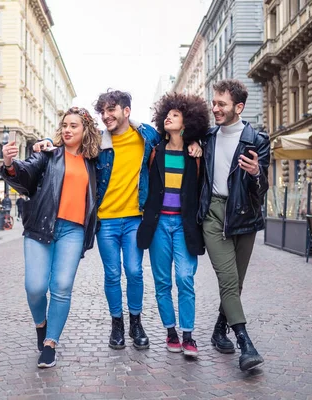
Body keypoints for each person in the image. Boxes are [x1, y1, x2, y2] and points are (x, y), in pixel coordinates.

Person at [34, 89, 202, 351]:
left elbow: (176, 138)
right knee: (112, 274)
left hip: (135, 217)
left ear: (126, 111)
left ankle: (136, 322)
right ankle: (117, 324)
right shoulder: (97, 143)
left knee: (134, 272)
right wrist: (46, 141)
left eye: (111, 109)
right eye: (103, 111)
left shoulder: (146, 137)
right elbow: (69, 140)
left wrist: (195, 141)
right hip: (106, 221)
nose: (106, 115)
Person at [0, 107, 100, 368]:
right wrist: (10, 164)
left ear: (85, 130)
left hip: (73, 230)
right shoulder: (49, 154)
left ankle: (50, 343)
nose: (67, 129)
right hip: (41, 227)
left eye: (74, 126)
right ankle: (40, 324)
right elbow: (26, 173)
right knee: (34, 287)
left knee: (62, 287)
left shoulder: (95, 161)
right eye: (65, 125)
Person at [197, 79, 270, 371]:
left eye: (221, 104)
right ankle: (245, 342)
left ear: (238, 107)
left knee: (235, 283)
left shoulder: (257, 140)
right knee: (227, 279)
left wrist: (256, 173)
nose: (215, 108)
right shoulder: (206, 137)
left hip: (244, 216)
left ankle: (219, 328)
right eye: (213, 103)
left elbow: (262, 189)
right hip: (213, 213)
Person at [137, 93, 208, 357]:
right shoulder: (155, 151)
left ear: (187, 121)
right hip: (158, 224)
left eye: (176, 115)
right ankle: (171, 331)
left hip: (184, 224)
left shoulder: (196, 154)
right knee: (163, 282)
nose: (169, 117)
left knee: (185, 278)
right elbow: (136, 128)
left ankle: (188, 335)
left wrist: (198, 143)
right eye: (167, 114)